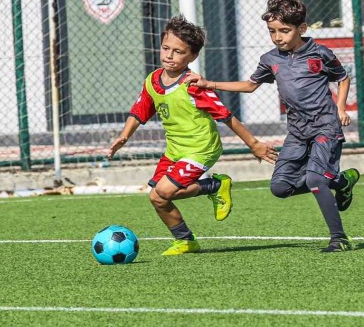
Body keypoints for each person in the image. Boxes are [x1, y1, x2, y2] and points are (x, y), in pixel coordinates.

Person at [187, 0, 361, 252]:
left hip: (325, 126)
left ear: (302, 28)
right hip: (297, 131)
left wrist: (340, 107)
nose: (278, 37)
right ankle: (340, 182)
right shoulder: (271, 59)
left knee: (314, 179)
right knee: (280, 187)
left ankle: (339, 238)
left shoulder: (320, 53)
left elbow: (342, 78)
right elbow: (249, 85)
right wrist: (209, 83)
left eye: (284, 31)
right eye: (272, 31)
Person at [107, 15, 277, 256]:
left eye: (178, 52)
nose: (169, 55)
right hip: (175, 150)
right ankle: (186, 241)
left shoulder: (194, 85)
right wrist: (124, 136)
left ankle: (215, 185)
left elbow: (226, 116)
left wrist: (254, 144)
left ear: (192, 56)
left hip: (201, 148)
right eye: (166, 48)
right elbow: (139, 111)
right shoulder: (152, 80)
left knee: (165, 191)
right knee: (156, 197)